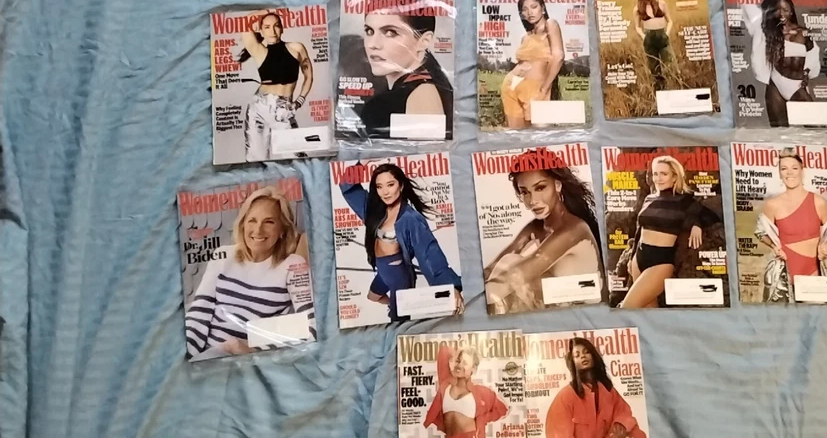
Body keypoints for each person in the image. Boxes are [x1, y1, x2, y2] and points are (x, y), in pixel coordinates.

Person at [184, 187, 313, 360]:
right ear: (243, 224)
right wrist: (186, 359)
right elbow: (199, 313)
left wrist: (249, 347)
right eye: (252, 220)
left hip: (244, 360)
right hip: (205, 355)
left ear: (282, 229)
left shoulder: (293, 265)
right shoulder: (222, 256)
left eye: (269, 222)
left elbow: (310, 324)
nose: (258, 230)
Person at [338, 163, 463, 321]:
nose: (385, 192)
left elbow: (429, 255)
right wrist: (360, 163)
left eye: (390, 185)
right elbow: (349, 189)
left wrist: (451, 288)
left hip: (399, 275)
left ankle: (399, 308)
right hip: (383, 271)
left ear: (401, 185)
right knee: (373, 297)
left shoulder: (411, 218)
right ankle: (397, 305)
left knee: (398, 321)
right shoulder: (375, 210)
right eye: (379, 186)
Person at [484, 150, 603, 314]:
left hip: (587, 312)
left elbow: (517, 276)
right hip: (560, 306)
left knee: (517, 280)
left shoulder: (573, 229)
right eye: (525, 192)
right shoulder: (536, 227)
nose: (533, 201)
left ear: (558, 185)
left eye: (540, 188)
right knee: (508, 262)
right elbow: (492, 268)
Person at [619, 155, 722, 308]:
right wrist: (631, 257)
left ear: (674, 177)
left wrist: (696, 224)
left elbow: (710, 216)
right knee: (648, 313)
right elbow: (639, 231)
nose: (658, 178)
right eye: (655, 174)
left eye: (664, 174)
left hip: (660, 263)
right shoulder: (649, 199)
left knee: (627, 308)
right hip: (638, 260)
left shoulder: (682, 200)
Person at [357, 0, 454, 139]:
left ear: (424, 41)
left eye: (390, 33)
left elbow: (427, 151)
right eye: (369, 31)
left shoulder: (421, 95)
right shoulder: (420, 85)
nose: (373, 44)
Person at [756, 149, 827, 302]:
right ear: (779, 174)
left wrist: (825, 244)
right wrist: (775, 247)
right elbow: (761, 232)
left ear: (802, 171)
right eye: (784, 168)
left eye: (794, 168)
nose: (789, 173)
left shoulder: (819, 202)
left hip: (813, 275)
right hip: (782, 279)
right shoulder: (772, 205)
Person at [236, 12, 313, 161]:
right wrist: (264, 12)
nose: (272, 31)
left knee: (296, 157)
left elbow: (308, 77)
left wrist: (299, 101)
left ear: (282, 28)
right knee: (256, 158)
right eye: (267, 27)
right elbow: (243, 23)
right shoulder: (259, 50)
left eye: (276, 26)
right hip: (258, 108)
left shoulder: (296, 48)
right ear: (261, 31)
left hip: (282, 109)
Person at [749, 0, 820, 127]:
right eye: (777, 10)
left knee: (817, 128)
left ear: (791, 11)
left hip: (796, 85)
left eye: (785, 10)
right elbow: (757, 53)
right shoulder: (769, 33)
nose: (781, 14)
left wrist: (807, 72)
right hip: (776, 83)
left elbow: (813, 54)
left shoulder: (803, 32)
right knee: (780, 132)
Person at [500, 0, 565, 129]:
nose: (530, 12)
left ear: (543, 8)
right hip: (511, 88)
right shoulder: (526, 37)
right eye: (524, 9)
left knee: (542, 136)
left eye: (534, 7)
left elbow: (558, 57)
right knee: (517, 137)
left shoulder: (550, 24)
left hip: (537, 90)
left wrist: (544, 89)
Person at [632, 0, 675, 90]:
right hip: (649, 38)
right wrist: (644, 36)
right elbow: (637, 26)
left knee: (669, 63)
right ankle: (660, 89)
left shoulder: (661, 4)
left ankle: (673, 86)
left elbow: (670, 21)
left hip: (662, 35)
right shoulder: (637, 8)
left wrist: (667, 34)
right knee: (654, 67)